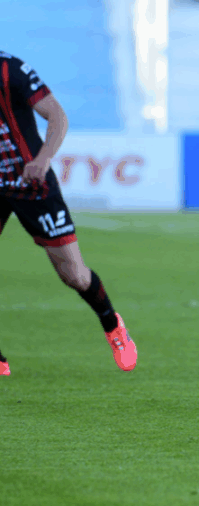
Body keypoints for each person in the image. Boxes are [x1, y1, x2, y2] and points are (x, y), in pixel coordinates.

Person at [0, 50, 137, 374]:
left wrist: (44, 158)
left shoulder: (10, 69)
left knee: (73, 275)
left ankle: (112, 324)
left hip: (31, 183)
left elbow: (57, 115)